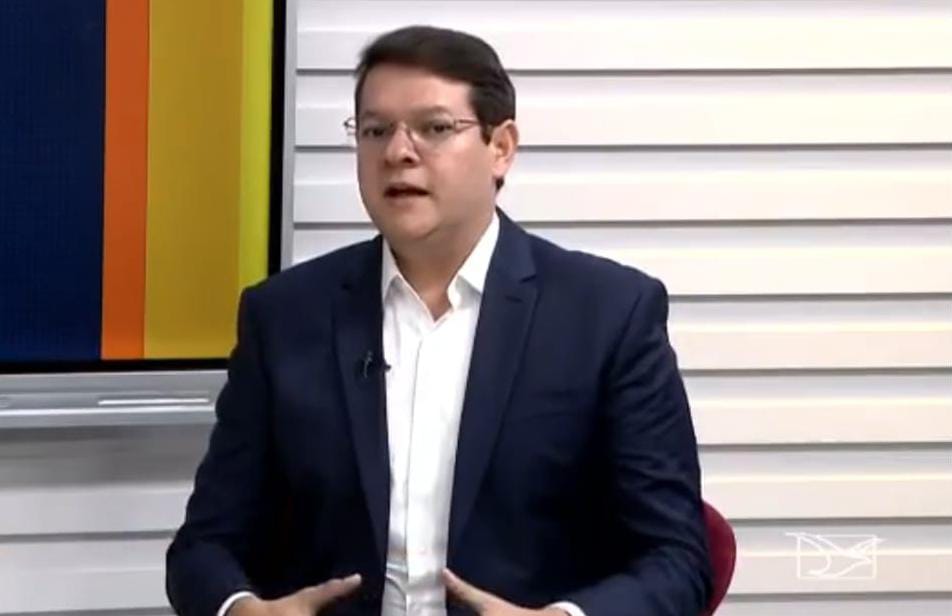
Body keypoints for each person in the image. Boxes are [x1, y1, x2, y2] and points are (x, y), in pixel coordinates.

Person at [166, 25, 712, 616]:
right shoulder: (283, 316)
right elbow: (203, 547)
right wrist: (241, 609)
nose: (398, 152)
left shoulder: (607, 315)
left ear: (501, 147)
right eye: (375, 130)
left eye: (434, 128)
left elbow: (676, 559)